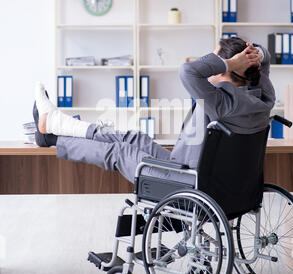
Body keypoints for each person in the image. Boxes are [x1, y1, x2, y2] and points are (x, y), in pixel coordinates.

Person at [33, 38, 275, 184]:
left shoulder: (221, 101)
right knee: (133, 138)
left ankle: (54, 131)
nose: (209, 61)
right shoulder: (262, 99)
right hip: (201, 174)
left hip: (186, 181)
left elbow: (188, 71)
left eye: (214, 57)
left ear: (226, 69)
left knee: (120, 151)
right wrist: (255, 56)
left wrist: (231, 62)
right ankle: (53, 129)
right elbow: (265, 63)